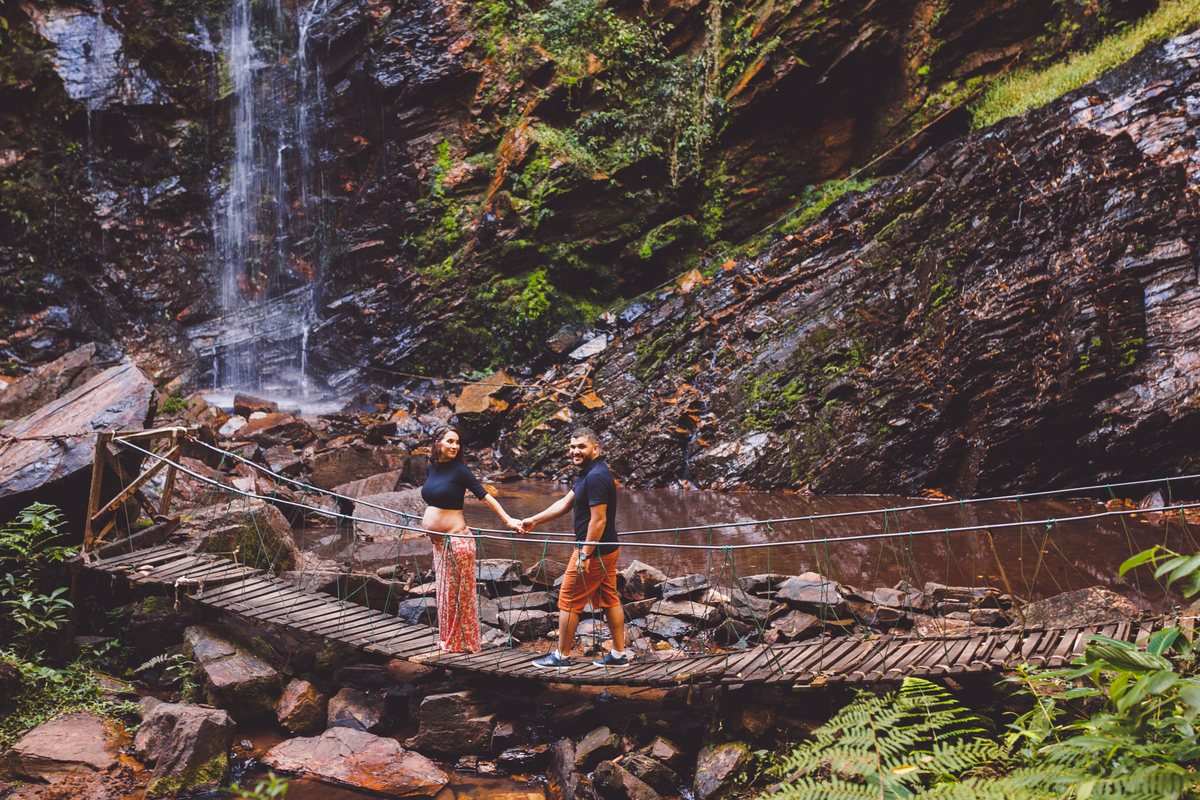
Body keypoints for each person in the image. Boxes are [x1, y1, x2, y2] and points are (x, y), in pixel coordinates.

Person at [520, 427, 629, 669]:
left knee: (568, 600)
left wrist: (584, 553)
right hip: (607, 549)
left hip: (594, 551)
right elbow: (565, 502)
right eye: (572, 447)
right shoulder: (589, 472)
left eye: (581, 446)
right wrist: (535, 520)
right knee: (610, 598)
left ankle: (561, 657)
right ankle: (619, 655)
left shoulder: (596, 476)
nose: (575, 451)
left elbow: (598, 520)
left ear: (595, 448)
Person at [421, 424, 521, 653]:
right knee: (445, 595)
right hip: (439, 543)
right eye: (450, 441)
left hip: (457, 542)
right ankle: (450, 641)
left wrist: (508, 520)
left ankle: (466, 643)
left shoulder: (460, 471)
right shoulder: (431, 469)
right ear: (438, 444)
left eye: (457, 442)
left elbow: (485, 497)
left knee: (460, 597)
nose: (455, 446)